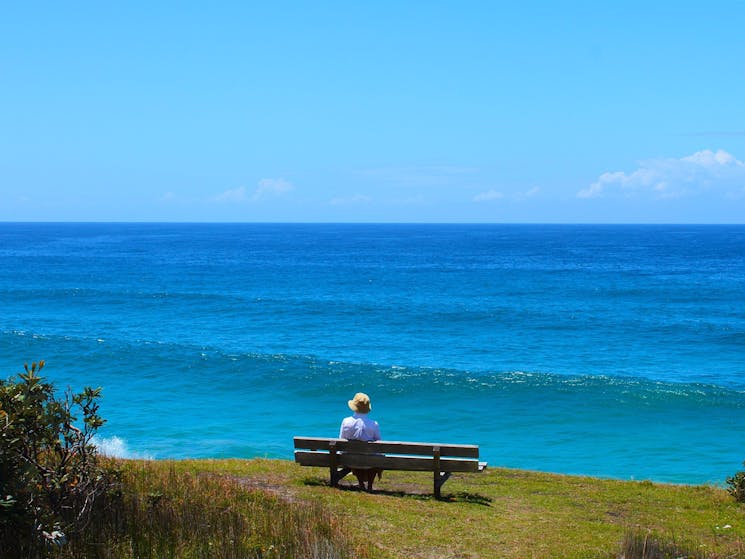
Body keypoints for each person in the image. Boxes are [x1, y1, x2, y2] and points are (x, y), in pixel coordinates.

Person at [339, 392, 382, 491]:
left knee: (355, 454)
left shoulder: (346, 421)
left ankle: (361, 484)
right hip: (369, 461)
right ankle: (370, 485)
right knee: (374, 455)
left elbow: (341, 440)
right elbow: (379, 444)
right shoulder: (374, 424)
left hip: (350, 460)